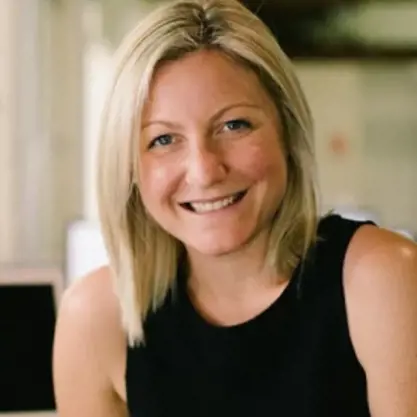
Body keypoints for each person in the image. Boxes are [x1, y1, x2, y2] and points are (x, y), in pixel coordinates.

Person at [52, 0, 417, 416]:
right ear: (129, 167)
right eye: (163, 140)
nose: (205, 171)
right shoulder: (96, 319)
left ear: (286, 132)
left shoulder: (381, 279)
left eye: (233, 125)